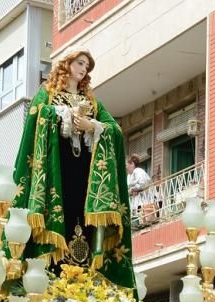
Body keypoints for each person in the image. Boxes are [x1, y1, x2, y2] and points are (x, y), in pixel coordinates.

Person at [12, 50, 136, 288]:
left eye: (87, 66)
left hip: (84, 176)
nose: (83, 69)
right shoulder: (47, 96)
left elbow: (115, 130)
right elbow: (35, 120)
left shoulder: (92, 102)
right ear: (67, 65)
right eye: (79, 63)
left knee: (84, 222)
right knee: (63, 218)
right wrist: (62, 115)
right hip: (57, 174)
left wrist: (93, 126)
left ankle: (86, 277)